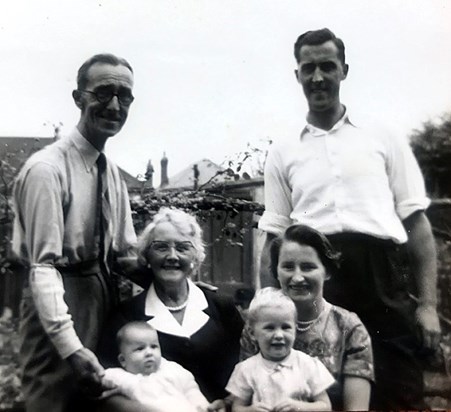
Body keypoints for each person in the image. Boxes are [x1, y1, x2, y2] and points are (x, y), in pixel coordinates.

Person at [258, 27, 441, 409]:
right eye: (309, 68)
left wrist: (427, 305)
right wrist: (268, 303)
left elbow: (417, 224)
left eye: (327, 66)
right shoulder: (284, 149)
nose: (318, 77)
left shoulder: (383, 135)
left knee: (399, 390)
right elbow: (274, 236)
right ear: (297, 75)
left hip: (382, 277)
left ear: (344, 70)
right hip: (319, 278)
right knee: (325, 393)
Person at [12, 53, 137, 412]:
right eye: (102, 93)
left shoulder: (111, 171)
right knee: (51, 401)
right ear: (78, 97)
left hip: (102, 299)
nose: (114, 105)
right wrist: (71, 348)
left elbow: (124, 256)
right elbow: (43, 268)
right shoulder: (47, 170)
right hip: (56, 305)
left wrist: (185, 286)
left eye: (124, 96)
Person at [99, 207, 244, 410]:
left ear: (195, 257)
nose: (172, 256)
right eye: (161, 247)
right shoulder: (125, 316)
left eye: (183, 248)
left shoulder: (222, 308)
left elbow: (248, 370)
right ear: (147, 256)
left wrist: (231, 403)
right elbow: (105, 390)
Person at [243, 225, 374, 410]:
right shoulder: (258, 324)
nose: (297, 278)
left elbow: (356, 408)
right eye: (288, 267)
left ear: (326, 272)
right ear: (276, 272)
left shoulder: (349, 327)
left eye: (308, 267)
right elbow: (245, 395)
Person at [227, 287, 334, 412]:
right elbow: (237, 407)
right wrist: (250, 410)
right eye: (269, 328)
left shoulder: (308, 364)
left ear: (295, 329)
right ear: (252, 333)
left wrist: (300, 407)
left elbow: (325, 406)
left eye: (286, 327)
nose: (279, 335)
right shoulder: (246, 369)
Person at [102, 321, 209, 412]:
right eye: (140, 349)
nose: (149, 353)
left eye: (154, 346)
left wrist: (202, 406)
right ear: (123, 360)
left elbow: (190, 389)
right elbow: (100, 381)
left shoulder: (170, 369)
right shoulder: (121, 377)